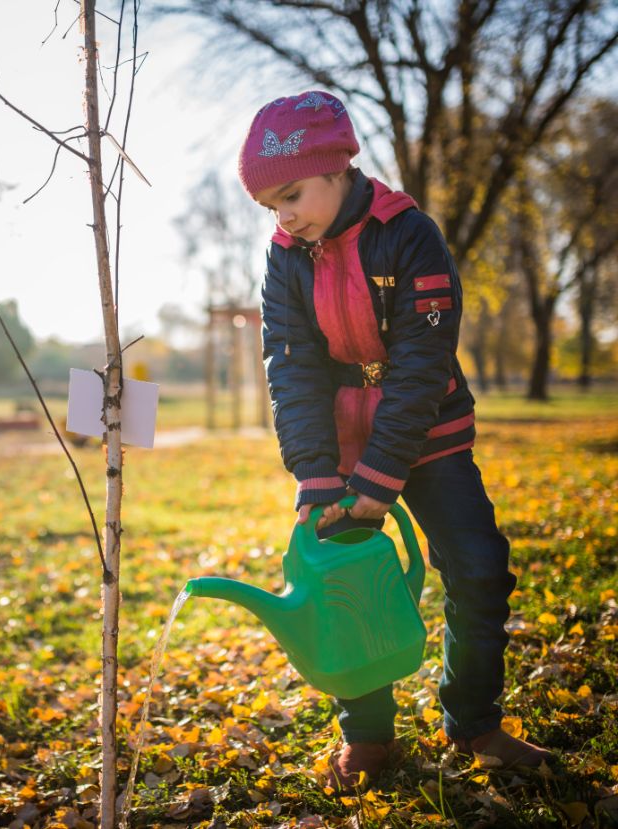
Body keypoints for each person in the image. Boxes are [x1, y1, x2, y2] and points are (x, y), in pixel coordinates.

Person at [236, 90, 552, 791]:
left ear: (339, 165)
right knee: (349, 585)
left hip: (429, 434)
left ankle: (474, 720)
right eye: (269, 206)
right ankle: (369, 734)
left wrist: (384, 478)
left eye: (291, 194)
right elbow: (291, 366)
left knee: (477, 568)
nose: (283, 215)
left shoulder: (409, 233)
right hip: (341, 446)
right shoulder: (286, 256)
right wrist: (318, 474)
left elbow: (421, 363)